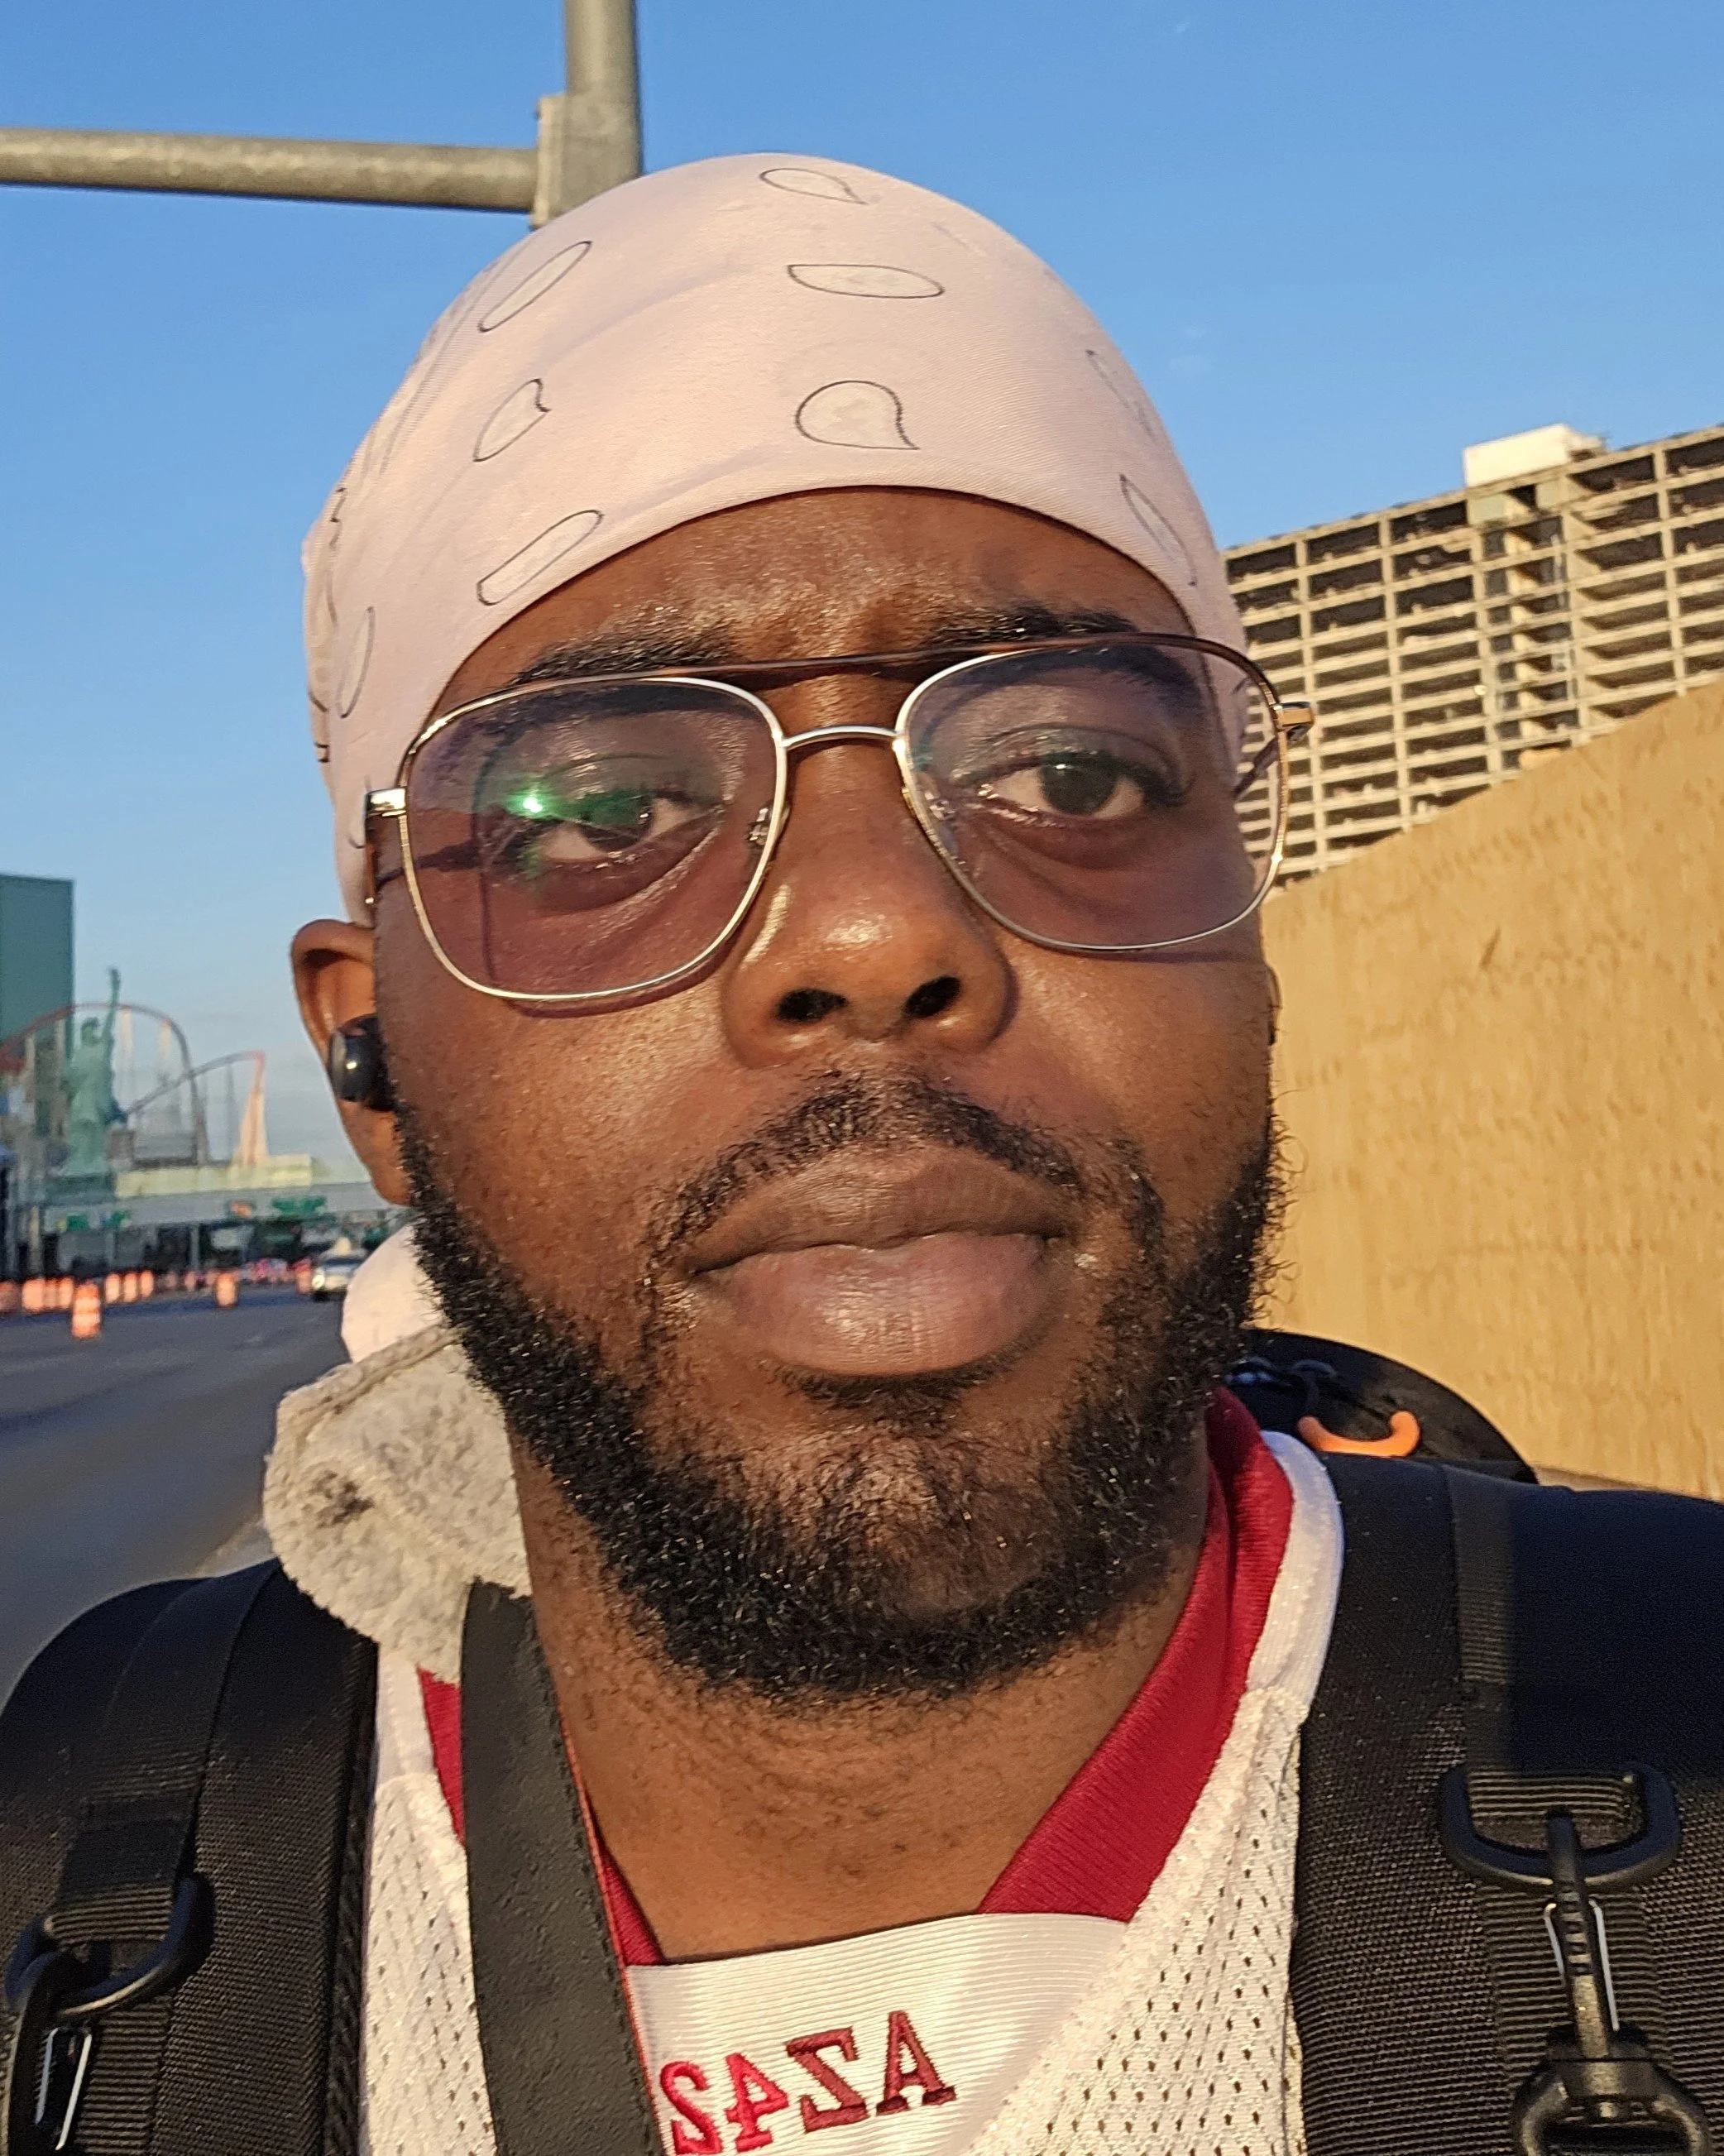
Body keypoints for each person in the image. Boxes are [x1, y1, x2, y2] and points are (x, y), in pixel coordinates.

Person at [6, 156, 1722, 2156]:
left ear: (1252, 960)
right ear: (370, 1066)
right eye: (602, 814)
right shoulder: (82, 1851)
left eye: (1071, 770)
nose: (872, 927)